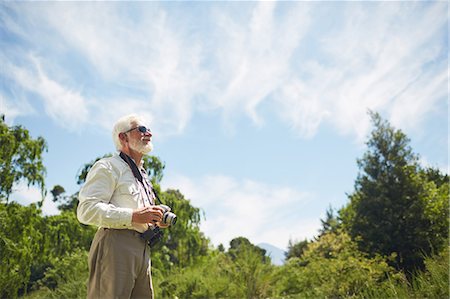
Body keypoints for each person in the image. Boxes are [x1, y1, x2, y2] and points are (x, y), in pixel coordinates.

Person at [77, 114, 167, 299]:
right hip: (115, 244)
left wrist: (156, 220)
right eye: (141, 129)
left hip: (143, 248)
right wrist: (133, 216)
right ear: (123, 137)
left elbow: (141, 215)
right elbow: (86, 210)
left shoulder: (142, 175)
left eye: (148, 129)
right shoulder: (108, 167)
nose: (148, 133)